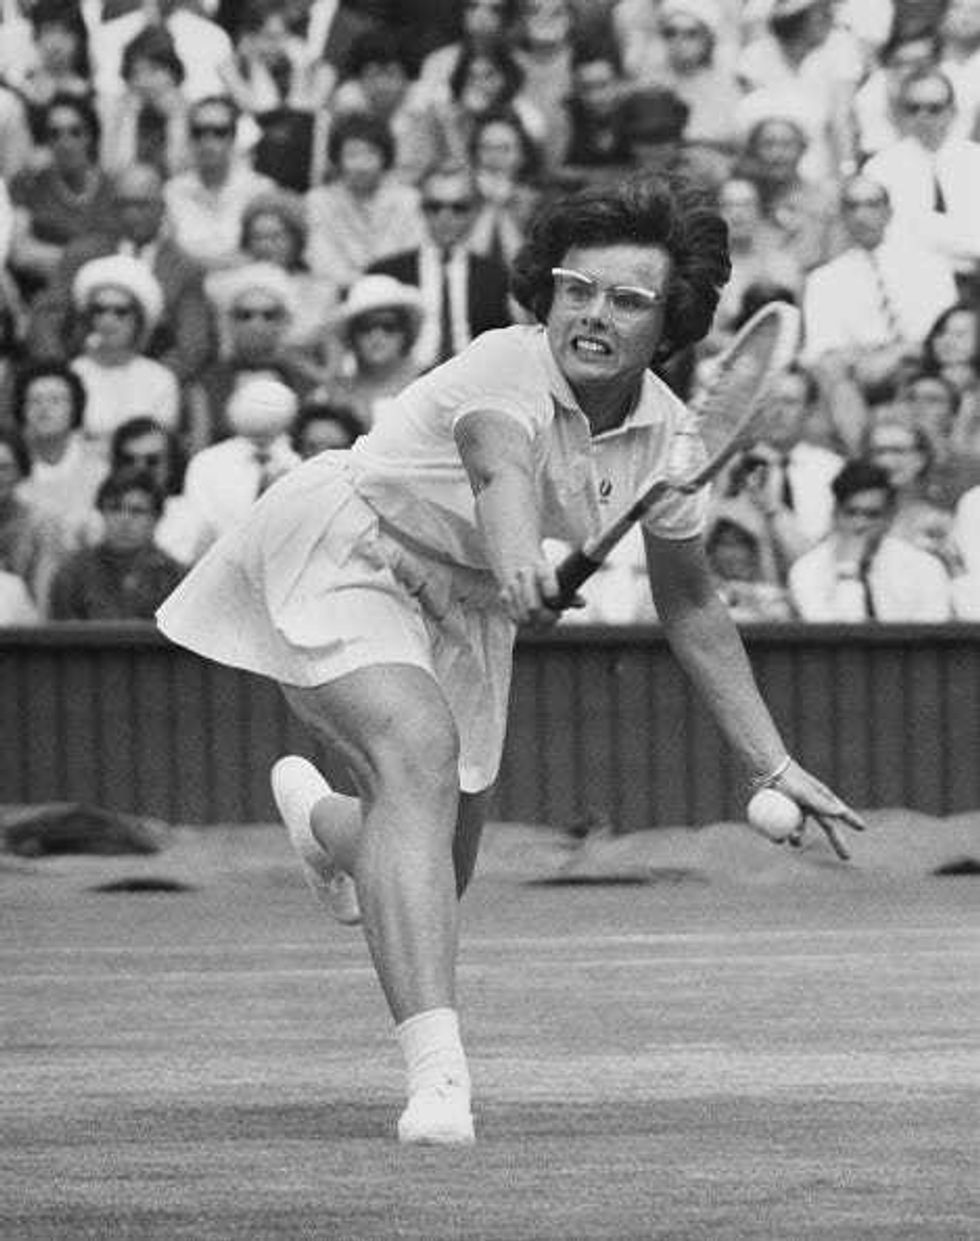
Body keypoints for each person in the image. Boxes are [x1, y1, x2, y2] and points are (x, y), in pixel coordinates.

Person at [156, 174, 866, 1146]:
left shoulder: (667, 438)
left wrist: (770, 760)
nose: (591, 313)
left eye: (626, 299)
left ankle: (326, 826)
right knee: (414, 748)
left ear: (672, 320)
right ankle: (439, 1079)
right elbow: (498, 464)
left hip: (469, 606)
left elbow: (691, 600)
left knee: (436, 860)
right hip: (351, 546)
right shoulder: (502, 365)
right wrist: (519, 557)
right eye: (577, 287)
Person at [27, 163, 216, 388]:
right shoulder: (82, 253)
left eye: (142, 205)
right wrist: (65, 376)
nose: (132, 214)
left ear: (162, 208)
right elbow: (46, 319)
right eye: (123, 205)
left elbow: (192, 345)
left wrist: (145, 383)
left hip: (152, 384)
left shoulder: (185, 268)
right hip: (79, 378)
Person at [368, 163, 512, 370]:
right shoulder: (388, 273)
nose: (445, 216)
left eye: (458, 208)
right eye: (434, 207)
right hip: (405, 384)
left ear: (476, 211)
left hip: (476, 384)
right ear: (422, 209)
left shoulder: (496, 277)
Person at [788, 458, 954, 621]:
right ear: (835, 513)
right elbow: (834, 637)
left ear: (890, 516)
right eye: (851, 513)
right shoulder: (808, 570)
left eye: (872, 515)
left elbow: (931, 634)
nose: (860, 524)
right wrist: (848, 573)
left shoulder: (924, 567)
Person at [69, 254, 181, 454]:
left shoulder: (160, 379)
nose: (108, 320)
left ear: (139, 319)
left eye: (120, 311)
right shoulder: (73, 373)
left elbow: (157, 446)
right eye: (99, 310)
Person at [48, 465, 185, 620]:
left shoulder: (177, 579)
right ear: (101, 512)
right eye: (114, 509)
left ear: (157, 518)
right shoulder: (72, 575)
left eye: (137, 511)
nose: (124, 520)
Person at [323, 275, 426, 431]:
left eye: (388, 326)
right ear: (351, 336)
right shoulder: (334, 394)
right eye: (366, 327)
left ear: (406, 332)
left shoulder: (428, 383)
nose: (377, 336)